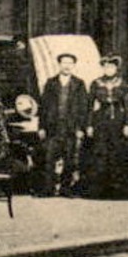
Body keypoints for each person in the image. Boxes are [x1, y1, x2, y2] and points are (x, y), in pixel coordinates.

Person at [81, 56, 128, 200]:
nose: (108, 69)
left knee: (120, 152)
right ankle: (98, 191)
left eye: (111, 67)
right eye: (105, 67)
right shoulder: (96, 83)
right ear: (102, 68)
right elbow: (89, 106)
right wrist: (89, 125)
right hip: (101, 121)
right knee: (100, 152)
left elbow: (126, 106)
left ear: (116, 68)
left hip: (118, 121)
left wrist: (127, 124)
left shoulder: (122, 83)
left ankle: (123, 191)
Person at [37, 51, 90, 197]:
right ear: (59, 65)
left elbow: (84, 107)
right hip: (52, 128)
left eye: (70, 63)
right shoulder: (51, 83)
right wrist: (41, 127)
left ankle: (65, 190)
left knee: (69, 160)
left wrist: (81, 128)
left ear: (73, 66)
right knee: (49, 158)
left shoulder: (79, 84)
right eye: (64, 63)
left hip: (71, 128)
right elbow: (43, 106)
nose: (67, 66)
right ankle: (48, 189)